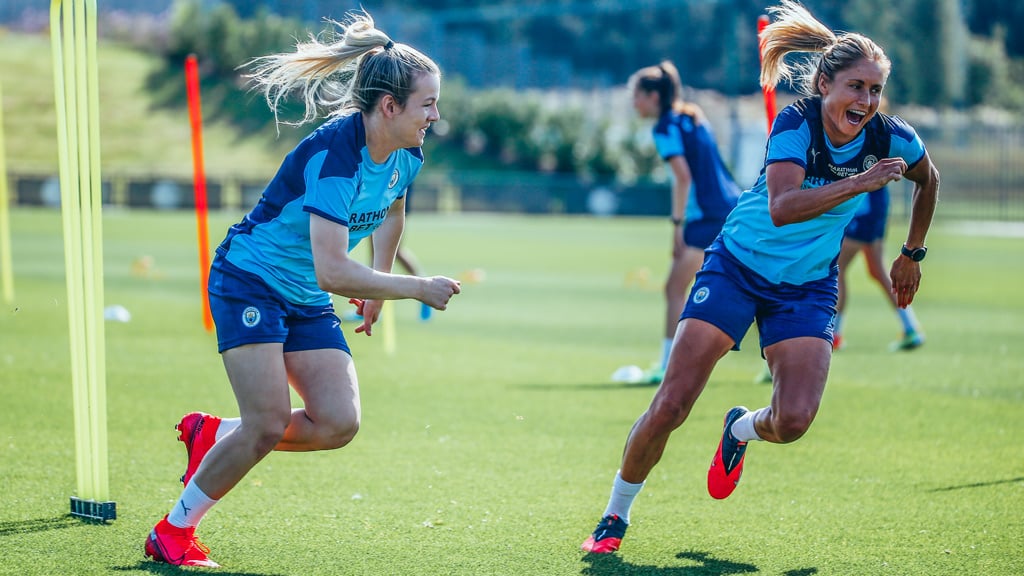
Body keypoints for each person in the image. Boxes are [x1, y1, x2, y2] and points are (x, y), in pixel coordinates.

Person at [582, 0, 939, 554]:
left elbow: (928, 177)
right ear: (824, 83)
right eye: (855, 87)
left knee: (794, 420)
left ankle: (740, 429)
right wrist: (861, 183)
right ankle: (614, 516)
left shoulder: (889, 135)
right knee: (672, 403)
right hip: (738, 266)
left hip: (807, 285)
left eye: (874, 89)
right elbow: (783, 206)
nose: (866, 101)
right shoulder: (796, 122)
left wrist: (912, 252)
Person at [143, 12, 460, 567]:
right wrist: (414, 287)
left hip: (302, 291)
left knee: (339, 423)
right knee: (266, 425)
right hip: (250, 280)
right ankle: (172, 531)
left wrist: (379, 288)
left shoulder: (406, 151)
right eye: (427, 103)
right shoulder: (337, 156)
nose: (436, 114)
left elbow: (391, 214)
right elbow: (333, 271)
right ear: (390, 106)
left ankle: (213, 434)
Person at [628, 61, 741, 383]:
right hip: (732, 207)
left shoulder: (665, 127)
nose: (634, 103)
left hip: (706, 216)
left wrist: (676, 224)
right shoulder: (692, 115)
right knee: (743, 286)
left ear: (652, 96)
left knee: (674, 288)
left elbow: (682, 176)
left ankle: (668, 367)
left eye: (636, 96)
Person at [833, 184, 924, 351]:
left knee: (838, 267)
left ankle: (834, 335)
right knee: (877, 270)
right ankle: (910, 327)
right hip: (875, 204)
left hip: (865, 206)